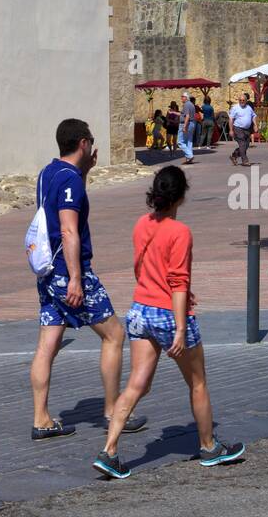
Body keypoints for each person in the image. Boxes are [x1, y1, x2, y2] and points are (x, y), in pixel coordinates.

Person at [93, 165, 245, 479]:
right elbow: (178, 282)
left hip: (139, 310)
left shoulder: (140, 225)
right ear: (180, 196)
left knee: (136, 384)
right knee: (198, 383)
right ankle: (208, 446)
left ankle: (109, 451)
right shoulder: (180, 232)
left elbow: (144, 270)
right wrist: (178, 326)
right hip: (167, 315)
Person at [30, 118, 147, 440]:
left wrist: (87, 171)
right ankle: (112, 410)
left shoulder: (48, 173)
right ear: (83, 142)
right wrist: (77, 280)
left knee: (47, 344)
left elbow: (59, 204)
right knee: (114, 335)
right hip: (69, 271)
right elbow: (68, 229)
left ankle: (41, 419)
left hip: (47, 270)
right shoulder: (71, 181)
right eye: (91, 141)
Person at [228, 92, 256, 166]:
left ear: (246, 101)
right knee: (242, 144)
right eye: (240, 100)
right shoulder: (235, 108)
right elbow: (231, 119)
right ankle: (245, 161)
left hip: (247, 129)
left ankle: (234, 156)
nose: (242, 101)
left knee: (246, 145)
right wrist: (231, 130)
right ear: (238, 101)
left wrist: (255, 125)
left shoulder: (249, 108)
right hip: (238, 128)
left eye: (243, 100)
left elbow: (253, 116)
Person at [178, 90, 197, 165]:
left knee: (180, 141)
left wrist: (184, 126)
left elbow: (187, 116)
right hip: (192, 123)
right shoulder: (192, 105)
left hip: (186, 123)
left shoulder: (186, 104)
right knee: (189, 141)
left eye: (182, 97)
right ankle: (189, 158)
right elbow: (184, 114)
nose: (181, 98)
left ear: (186, 97)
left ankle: (190, 155)